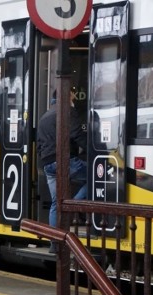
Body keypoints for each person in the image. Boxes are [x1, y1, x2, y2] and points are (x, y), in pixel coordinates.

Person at [37, 88, 87, 252]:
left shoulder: (44, 116)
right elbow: (77, 134)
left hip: (48, 163)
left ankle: (55, 243)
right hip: (64, 161)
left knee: (55, 202)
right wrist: (92, 152)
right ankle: (72, 207)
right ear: (65, 97)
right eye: (72, 96)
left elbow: (39, 145)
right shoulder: (67, 111)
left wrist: (45, 160)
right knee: (96, 178)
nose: (74, 99)